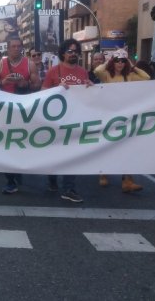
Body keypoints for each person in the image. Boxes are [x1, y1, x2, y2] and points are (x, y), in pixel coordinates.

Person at [0, 36, 42, 194]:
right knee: (7, 145)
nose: (16, 49)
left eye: (19, 46)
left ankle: (19, 171)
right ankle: (10, 180)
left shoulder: (29, 64)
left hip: (24, 111)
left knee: (22, 143)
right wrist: (2, 83)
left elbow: (38, 86)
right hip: (5, 110)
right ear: (8, 48)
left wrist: (27, 84)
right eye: (13, 46)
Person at [41, 38, 93, 203]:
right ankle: (52, 178)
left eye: (75, 51)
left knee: (72, 154)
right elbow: (43, 93)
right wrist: (57, 90)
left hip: (75, 120)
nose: (73, 54)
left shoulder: (83, 72)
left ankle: (68, 188)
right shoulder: (53, 71)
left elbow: (89, 96)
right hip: (56, 121)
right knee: (54, 153)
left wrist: (91, 87)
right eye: (70, 51)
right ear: (63, 53)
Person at [92, 49, 150, 192]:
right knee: (107, 146)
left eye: (123, 61)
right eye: (117, 60)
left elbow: (146, 78)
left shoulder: (130, 76)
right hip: (108, 116)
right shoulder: (106, 75)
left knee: (127, 147)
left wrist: (133, 66)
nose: (120, 63)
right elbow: (97, 71)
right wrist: (109, 61)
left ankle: (127, 181)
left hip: (125, 117)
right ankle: (103, 173)